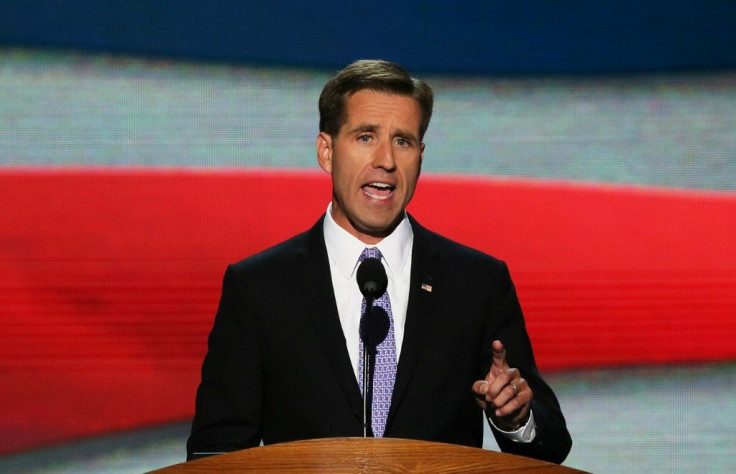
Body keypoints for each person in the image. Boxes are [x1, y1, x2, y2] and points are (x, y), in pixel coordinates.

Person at [186, 59, 572, 464]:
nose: (386, 160)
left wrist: (516, 417)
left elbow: (552, 447)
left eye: (403, 141)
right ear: (327, 151)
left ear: (420, 157)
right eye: (366, 137)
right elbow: (215, 453)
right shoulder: (260, 288)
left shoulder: (476, 283)